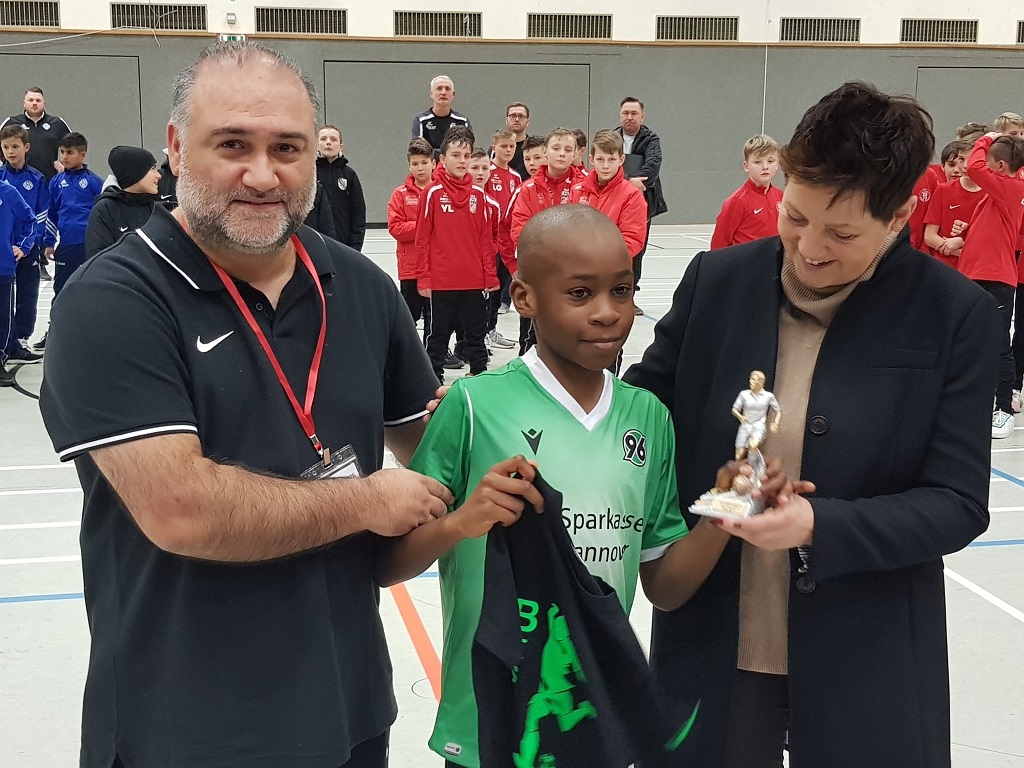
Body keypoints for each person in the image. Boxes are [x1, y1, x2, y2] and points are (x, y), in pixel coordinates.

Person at [38, 41, 453, 768]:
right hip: (183, 729)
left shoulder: (359, 286)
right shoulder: (112, 301)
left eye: (287, 148)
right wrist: (365, 502)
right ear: (176, 148)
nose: (263, 175)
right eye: (233, 144)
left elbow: (437, 444)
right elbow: (181, 509)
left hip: (348, 710)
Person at [625, 81, 998, 768]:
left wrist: (818, 525)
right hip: (717, 643)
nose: (809, 247)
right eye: (795, 216)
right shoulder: (717, 283)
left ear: (899, 216)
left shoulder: (954, 315)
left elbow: (957, 502)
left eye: (842, 232)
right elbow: (638, 412)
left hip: (868, 653)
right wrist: (524, 407)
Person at [381, 205, 770, 768]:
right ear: (525, 298)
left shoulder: (648, 417)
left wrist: (724, 511)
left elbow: (663, 586)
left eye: (622, 290)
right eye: (581, 294)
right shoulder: (473, 405)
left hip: (591, 720)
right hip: (492, 720)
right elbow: (389, 561)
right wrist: (462, 522)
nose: (608, 313)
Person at [416, 126, 498, 383]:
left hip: (473, 281)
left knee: (475, 335)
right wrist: (424, 277)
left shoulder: (479, 195)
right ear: (442, 159)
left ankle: (479, 376)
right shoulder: (431, 193)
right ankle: (433, 380)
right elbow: (422, 239)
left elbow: (486, 240)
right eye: (456, 155)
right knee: (438, 335)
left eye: (466, 156)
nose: (462, 161)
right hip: (442, 282)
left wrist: (490, 275)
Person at [956, 131, 1024, 439]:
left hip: (995, 277)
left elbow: (974, 167)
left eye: (987, 157)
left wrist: (987, 137)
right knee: (969, 342)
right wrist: (966, 230)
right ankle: (978, 403)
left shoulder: (1013, 187)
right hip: (972, 273)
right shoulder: (995, 193)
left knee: (998, 345)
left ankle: (1004, 409)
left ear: (999, 166)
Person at [0, 124, 48, 360]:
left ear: (26, 147)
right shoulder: (1, 179)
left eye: (15, 146)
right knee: (4, 298)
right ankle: (6, 342)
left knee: (28, 294)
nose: (10, 152)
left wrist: (26, 244)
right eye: (6, 147)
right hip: (4, 249)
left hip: (27, 247)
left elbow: (40, 215)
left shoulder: (37, 178)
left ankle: (21, 339)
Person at [616, 97, 666, 315]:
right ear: (620, 116)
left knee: (636, 251)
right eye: (626, 113)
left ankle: (629, 297)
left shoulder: (651, 139)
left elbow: (652, 165)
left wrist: (631, 182)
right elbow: (606, 164)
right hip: (615, 203)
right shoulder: (612, 138)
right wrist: (628, 181)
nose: (629, 117)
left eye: (634, 113)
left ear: (642, 117)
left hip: (642, 204)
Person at [44, 132, 102, 296]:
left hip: (89, 245)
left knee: (92, 286)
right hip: (66, 244)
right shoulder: (56, 182)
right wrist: (49, 242)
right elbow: (52, 214)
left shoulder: (94, 182)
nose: (64, 157)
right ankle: (59, 313)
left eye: (70, 152)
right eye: (62, 152)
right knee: (62, 288)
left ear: (82, 155)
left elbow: (104, 213)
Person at [388, 137, 434, 341]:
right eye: (415, 163)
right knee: (408, 318)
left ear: (433, 163)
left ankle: (435, 354)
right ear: (409, 166)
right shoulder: (400, 194)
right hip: (410, 269)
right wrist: (425, 225)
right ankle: (408, 352)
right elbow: (396, 228)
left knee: (436, 318)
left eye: (424, 162)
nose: (420, 168)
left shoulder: (440, 192)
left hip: (437, 268)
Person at [85, 146, 162, 258]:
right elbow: (97, 257)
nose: (158, 175)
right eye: (152, 169)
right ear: (136, 172)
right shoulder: (105, 209)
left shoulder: (156, 206)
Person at [710, 135, 784, 250]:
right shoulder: (737, 201)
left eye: (770, 161)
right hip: (746, 261)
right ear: (746, 166)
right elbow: (718, 245)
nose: (765, 167)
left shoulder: (781, 197)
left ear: (777, 165)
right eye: (758, 162)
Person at [0, 175, 40, 384]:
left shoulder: (7, 192)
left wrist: (22, 247)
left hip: (2, 267)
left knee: (2, 318)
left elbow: (30, 221)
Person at [923, 140, 981, 269]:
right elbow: (929, 236)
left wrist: (962, 245)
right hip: (944, 266)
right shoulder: (943, 190)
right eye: (961, 159)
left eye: (971, 159)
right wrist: (955, 249)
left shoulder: (991, 194)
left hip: (975, 268)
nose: (964, 166)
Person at [0, 87, 71, 181]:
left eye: (38, 100)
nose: (34, 103)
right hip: (16, 180)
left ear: (44, 104)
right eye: (30, 100)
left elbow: (73, 146)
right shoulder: (11, 122)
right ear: (24, 103)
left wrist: (66, 166)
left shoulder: (57, 123)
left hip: (49, 180)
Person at [487, 128, 521, 318]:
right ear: (494, 148)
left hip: (506, 238)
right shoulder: (487, 171)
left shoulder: (515, 177)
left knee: (501, 281)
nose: (508, 150)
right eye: (504, 146)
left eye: (512, 146)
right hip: (490, 237)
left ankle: (492, 327)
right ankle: (484, 326)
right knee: (489, 285)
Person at [315, 125, 366, 250]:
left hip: (343, 244)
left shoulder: (349, 175)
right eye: (323, 139)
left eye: (333, 139)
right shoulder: (309, 174)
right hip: (314, 243)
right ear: (316, 144)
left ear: (341, 146)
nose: (328, 142)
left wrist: (355, 248)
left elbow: (358, 213)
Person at [411, 75, 472, 152]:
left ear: (453, 94)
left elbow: (467, 151)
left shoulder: (462, 121)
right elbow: (418, 151)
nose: (443, 92)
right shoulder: (420, 120)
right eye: (439, 88)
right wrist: (451, 151)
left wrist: (430, 150)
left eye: (447, 89)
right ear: (431, 94)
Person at [731, 370, 781, 461]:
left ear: (761, 382)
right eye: (750, 379)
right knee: (738, 456)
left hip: (758, 426)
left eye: (754, 379)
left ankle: (755, 466)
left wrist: (775, 423)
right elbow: (734, 409)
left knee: (753, 446)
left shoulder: (768, 396)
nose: (751, 381)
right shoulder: (744, 394)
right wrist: (740, 417)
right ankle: (742, 468)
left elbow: (778, 411)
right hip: (745, 426)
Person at [504, 101, 530, 178]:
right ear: (506, 120)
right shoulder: (498, 148)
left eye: (521, 116)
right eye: (513, 116)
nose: (517, 119)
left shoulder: (533, 147)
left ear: (527, 121)